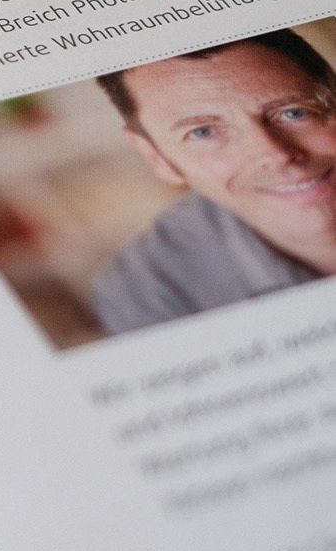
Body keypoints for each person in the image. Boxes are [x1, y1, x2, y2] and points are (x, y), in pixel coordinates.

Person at [91, 29, 336, 335]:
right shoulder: (147, 290)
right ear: (157, 157)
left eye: (294, 113)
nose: (276, 156)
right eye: (203, 132)